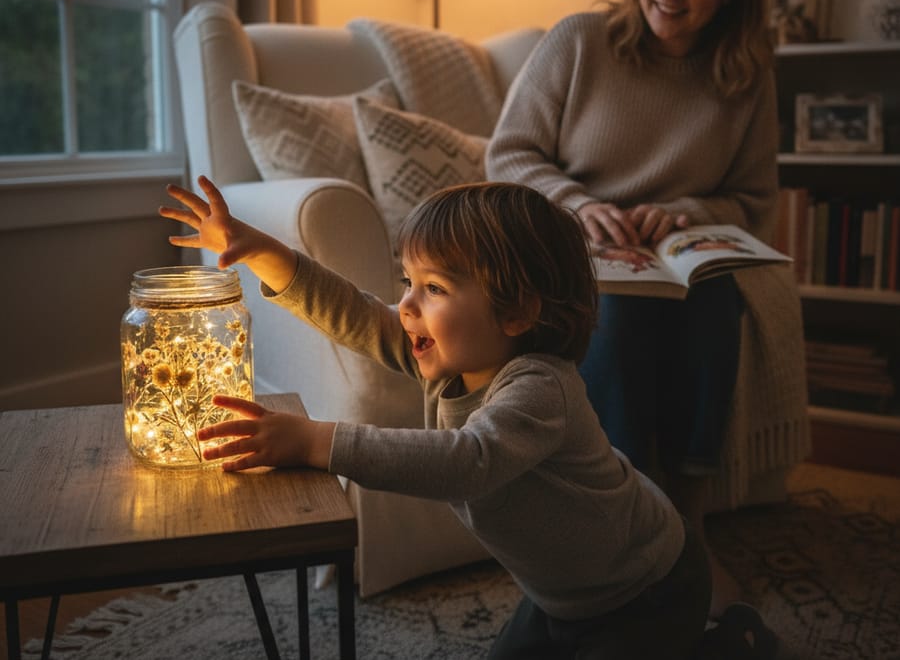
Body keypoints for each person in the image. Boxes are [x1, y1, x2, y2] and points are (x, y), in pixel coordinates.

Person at [160, 175, 711, 659]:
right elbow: (354, 313)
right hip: (561, 598)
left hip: (649, 589)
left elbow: (467, 462)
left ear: (517, 312)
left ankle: (729, 641)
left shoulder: (541, 388)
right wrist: (261, 252)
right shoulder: (452, 362)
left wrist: (315, 442)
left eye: (435, 289)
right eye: (408, 282)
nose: (405, 306)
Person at [485, 0, 780, 618]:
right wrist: (582, 206)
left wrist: (679, 212)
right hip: (571, 248)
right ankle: (624, 511)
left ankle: (689, 515)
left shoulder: (745, 74)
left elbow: (752, 200)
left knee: (715, 302)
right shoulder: (580, 41)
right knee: (613, 315)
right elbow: (508, 154)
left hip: (675, 252)